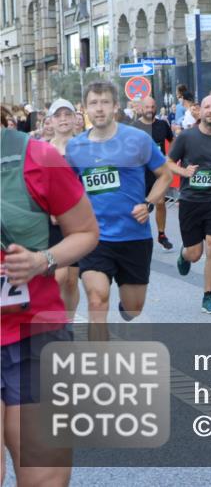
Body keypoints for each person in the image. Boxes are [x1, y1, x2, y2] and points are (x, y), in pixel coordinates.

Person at [0, 107, 100, 487]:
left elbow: (86, 232)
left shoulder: (38, 156)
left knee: (45, 479)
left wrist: (44, 260)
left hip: (34, 336)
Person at [64, 82, 173, 340]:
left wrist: (148, 204)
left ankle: (127, 307)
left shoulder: (137, 139)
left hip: (133, 236)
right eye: (93, 103)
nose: (99, 109)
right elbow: (69, 189)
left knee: (134, 308)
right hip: (94, 237)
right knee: (97, 300)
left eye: (104, 102)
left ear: (115, 106)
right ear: (86, 108)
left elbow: (165, 176)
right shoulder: (75, 147)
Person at [168, 94, 211, 315]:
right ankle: (184, 254)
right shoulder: (186, 137)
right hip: (190, 200)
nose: (210, 111)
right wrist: (184, 171)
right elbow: (168, 162)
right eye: (207, 107)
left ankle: (208, 297)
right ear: (199, 111)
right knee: (195, 253)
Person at [47, 98, 83, 318]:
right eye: (58, 115)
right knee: (57, 277)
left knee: (71, 280)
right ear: (50, 121)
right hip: (49, 223)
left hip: (78, 223)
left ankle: (68, 323)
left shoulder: (84, 148)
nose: (63, 119)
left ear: (74, 119)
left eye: (67, 115)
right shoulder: (41, 149)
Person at [133, 96, 176, 251]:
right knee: (140, 205)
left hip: (158, 171)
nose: (150, 110)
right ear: (141, 109)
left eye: (152, 107)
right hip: (140, 172)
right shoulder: (134, 127)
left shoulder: (163, 125)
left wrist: (171, 158)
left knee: (160, 202)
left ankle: (162, 234)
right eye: (147, 107)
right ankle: (140, 237)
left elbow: (173, 141)